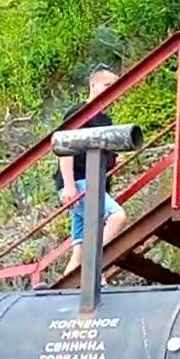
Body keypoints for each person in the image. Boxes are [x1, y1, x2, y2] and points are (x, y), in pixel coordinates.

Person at [56, 67, 127, 281]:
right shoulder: (80, 112)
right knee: (117, 217)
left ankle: (61, 293)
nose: (111, 90)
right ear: (92, 86)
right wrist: (69, 185)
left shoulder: (105, 120)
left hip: (95, 184)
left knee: (79, 248)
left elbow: (103, 154)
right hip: (80, 183)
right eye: (106, 85)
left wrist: (115, 160)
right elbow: (64, 148)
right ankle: (92, 268)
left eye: (114, 87)